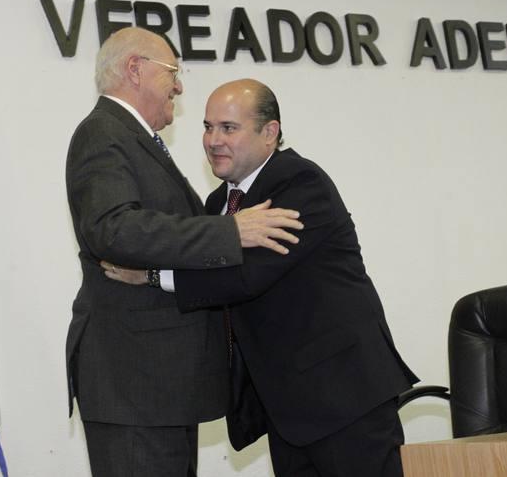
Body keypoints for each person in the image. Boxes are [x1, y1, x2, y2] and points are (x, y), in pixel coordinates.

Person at [104, 78, 419, 477]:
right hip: (286, 409)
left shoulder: (300, 182)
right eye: (208, 127)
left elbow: (246, 275)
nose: (213, 140)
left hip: (344, 397)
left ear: (270, 133)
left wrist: (152, 276)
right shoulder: (219, 204)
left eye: (228, 128)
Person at [65, 29, 303, 477]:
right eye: (172, 72)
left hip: (157, 384)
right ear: (135, 69)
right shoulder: (103, 132)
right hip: (134, 382)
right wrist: (229, 232)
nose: (178, 86)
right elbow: (112, 229)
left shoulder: (131, 137)